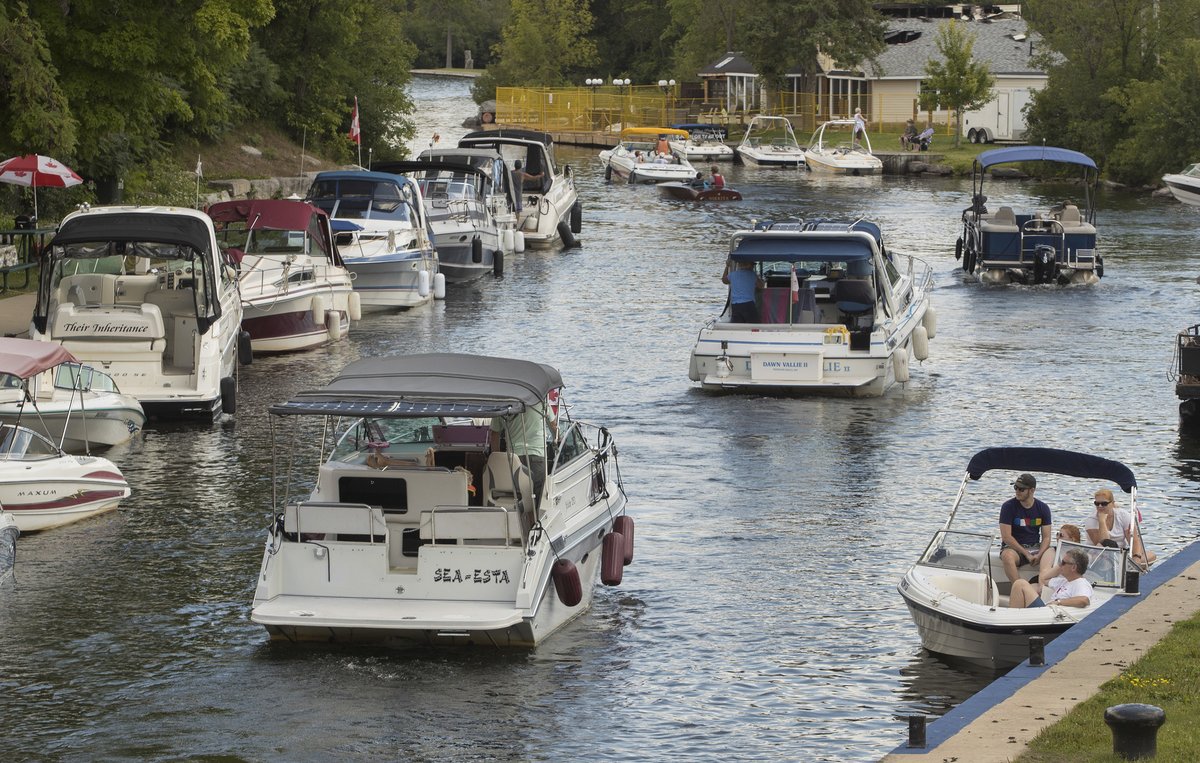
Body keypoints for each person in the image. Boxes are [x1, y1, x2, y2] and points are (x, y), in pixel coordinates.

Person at [490, 401, 556, 501]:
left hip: (514, 457)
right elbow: (554, 427)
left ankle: (521, 515)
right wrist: (558, 439)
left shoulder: (502, 404)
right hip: (537, 455)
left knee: (518, 495)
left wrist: (498, 458)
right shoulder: (541, 401)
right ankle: (536, 515)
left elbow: (495, 434)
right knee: (538, 495)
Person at [999, 473, 1052, 583]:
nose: (1017, 491)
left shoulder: (1043, 508)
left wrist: (1040, 554)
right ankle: (1020, 587)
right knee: (1007, 556)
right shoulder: (1008, 507)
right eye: (1015, 487)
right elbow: (1006, 537)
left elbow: (1046, 537)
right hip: (1014, 548)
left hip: (1035, 546)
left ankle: (1043, 584)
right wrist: (1026, 553)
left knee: (1053, 552)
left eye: (1021, 489)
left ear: (1032, 490)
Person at [1085, 488, 1157, 567]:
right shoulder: (1091, 520)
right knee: (1103, 558)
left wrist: (1136, 557)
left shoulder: (1123, 515)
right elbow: (1104, 544)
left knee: (1151, 556)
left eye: (1104, 503)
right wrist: (1102, 521)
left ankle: (1128, 567)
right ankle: (1124, 567)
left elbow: (1134, 540)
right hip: (1099, 556)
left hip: (1121, 554)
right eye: (1097, 503)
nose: (1100, 506)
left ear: (1112, 503)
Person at [1008, 549, 1093, 608]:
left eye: (1063, 563)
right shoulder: (1063, 581)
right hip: (1047, 610)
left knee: (1021, 584)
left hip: (1051, 613)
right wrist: (1060, 566)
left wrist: (1058, 602)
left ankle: (1012, 621)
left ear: (1074, 567)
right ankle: (1014, 619)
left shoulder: (1081, 583)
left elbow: (1084, 600)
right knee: (1019, 584)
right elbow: (1043, 579)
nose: (1060, 565)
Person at [722, 259, 762, 323]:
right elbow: (761, 286)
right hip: (748, 305)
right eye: (752, 265)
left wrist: (727, 266)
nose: (753, 267)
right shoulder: (752, 275)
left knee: (738, 326)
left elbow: (724, 280)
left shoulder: (732, 275)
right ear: (749, 265)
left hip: (735, 305)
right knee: (754, 326)